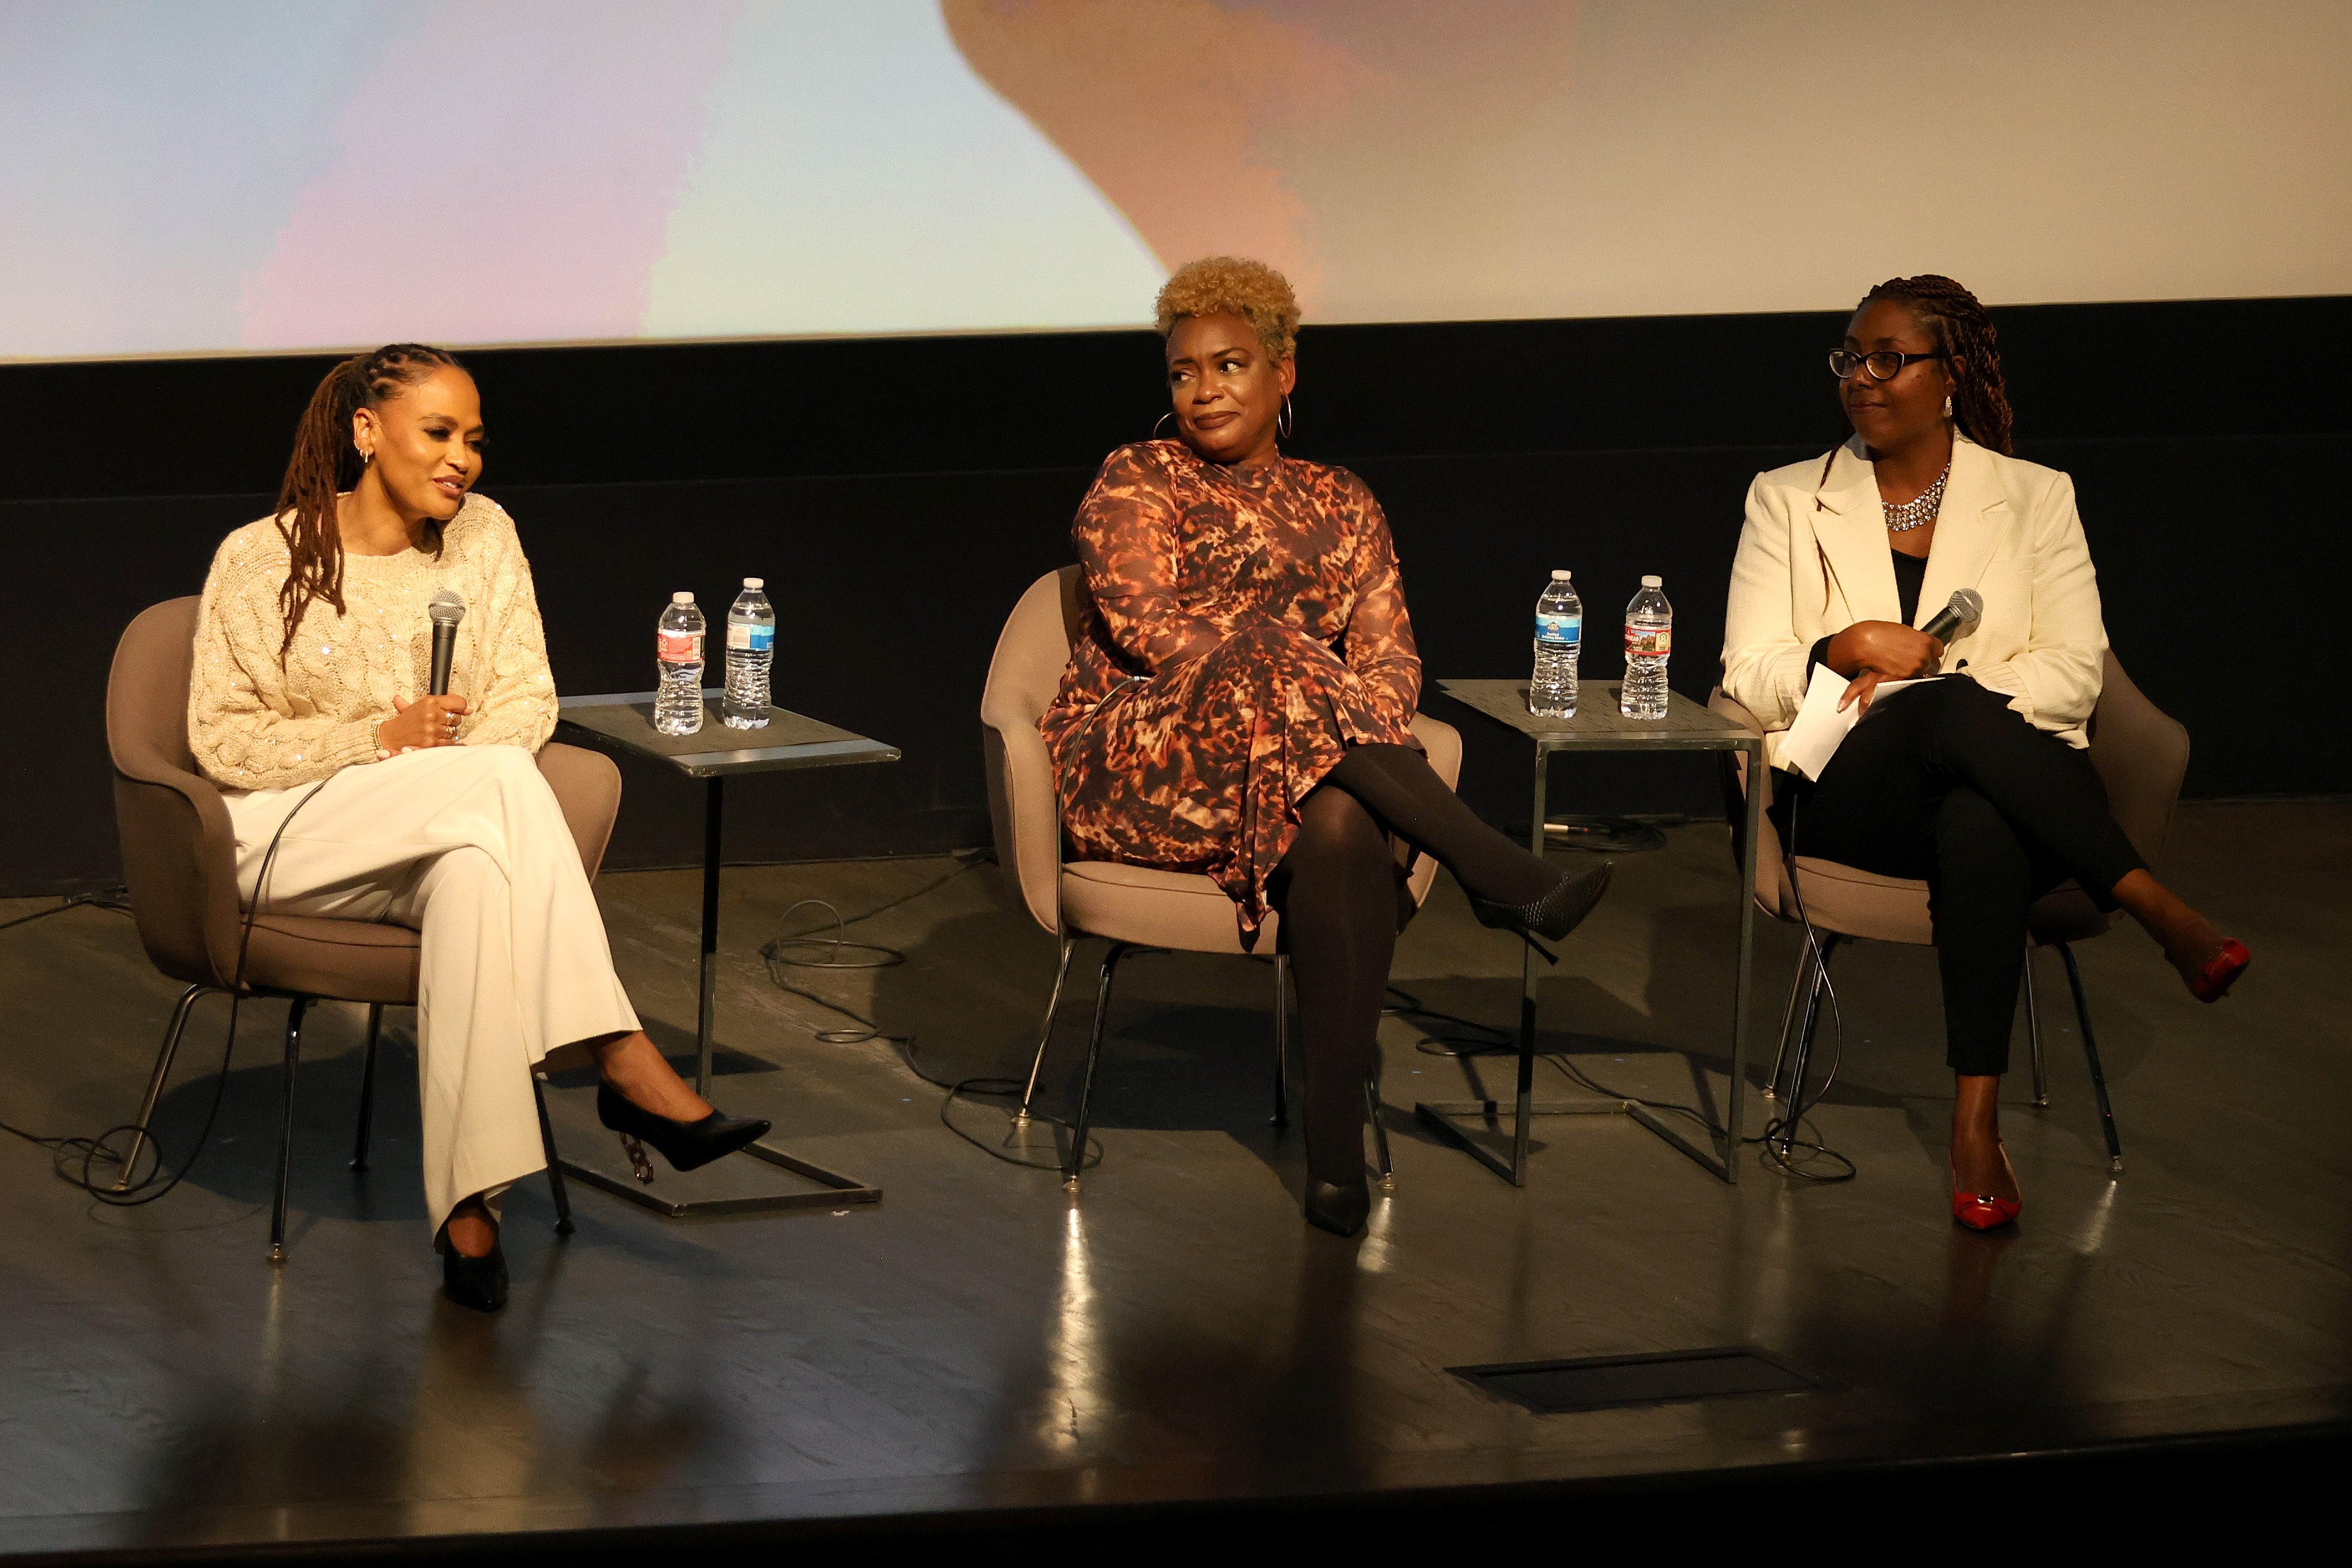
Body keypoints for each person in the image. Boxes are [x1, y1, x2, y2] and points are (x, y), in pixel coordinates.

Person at [189, 343, 770, 1310]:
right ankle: (620, 1053)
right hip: (285, 835)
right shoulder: (263, 557)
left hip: (440, 818)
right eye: (439, 433)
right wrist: (376, 737)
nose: (464, 458)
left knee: (474, 877)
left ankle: (469, 1216)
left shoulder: (486, 538)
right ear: (368, 433)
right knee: (492, 789)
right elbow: (222, 738)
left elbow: (523, 699)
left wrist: (438, 772)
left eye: (475, 439)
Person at [1042, 258, 1611, 1238]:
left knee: (1343, 820)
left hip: (1294, 764)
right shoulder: (1138, 477)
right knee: (1265, 649)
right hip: (1144, 754)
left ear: (1284, 373)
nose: (1204, 388)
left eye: (1229, 364)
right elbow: (1145, 628)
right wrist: (1282, 671)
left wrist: (1321, 709)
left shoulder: (1342, 500)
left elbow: (1393, 662)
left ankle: (1335, 1157)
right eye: (1184, 372)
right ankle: (1491, 865)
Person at [1722, 276, 2250, 1230]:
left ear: (1951, 374)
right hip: (1849, 789)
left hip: (2005, 790)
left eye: (1890, 359)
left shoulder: (2037, 497)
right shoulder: (1789, 499)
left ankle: (1976, 1125)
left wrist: (1945, 698)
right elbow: (1748, 675)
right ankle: (2154, 904)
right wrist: (1834, 651)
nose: (1862, 379)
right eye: (1851, 358)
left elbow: (2075, 674)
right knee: (1943, 720)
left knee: (1977, 808)